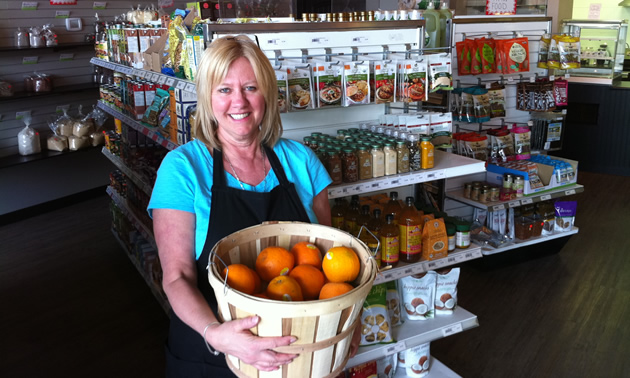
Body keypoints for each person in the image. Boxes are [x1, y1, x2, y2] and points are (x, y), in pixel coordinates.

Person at [148, 35, 357, 377]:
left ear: (267, 95)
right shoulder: (183, 168)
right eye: (224, 89)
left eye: (250, 87)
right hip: (210, 353)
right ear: (207, 97)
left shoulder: (301, 161)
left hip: (297, 356)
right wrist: (216, 334)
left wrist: (347, 322)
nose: (239, 102)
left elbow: (329, 264)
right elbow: (177, 277)